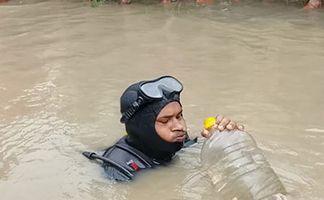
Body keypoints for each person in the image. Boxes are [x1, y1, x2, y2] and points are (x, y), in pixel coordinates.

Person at [85, 76, 241, 182]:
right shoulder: (119, 169)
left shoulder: (179, 141)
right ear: (143, 128)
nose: (180, 127)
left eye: (179, 116)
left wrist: (227, 142)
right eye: (165, 121)